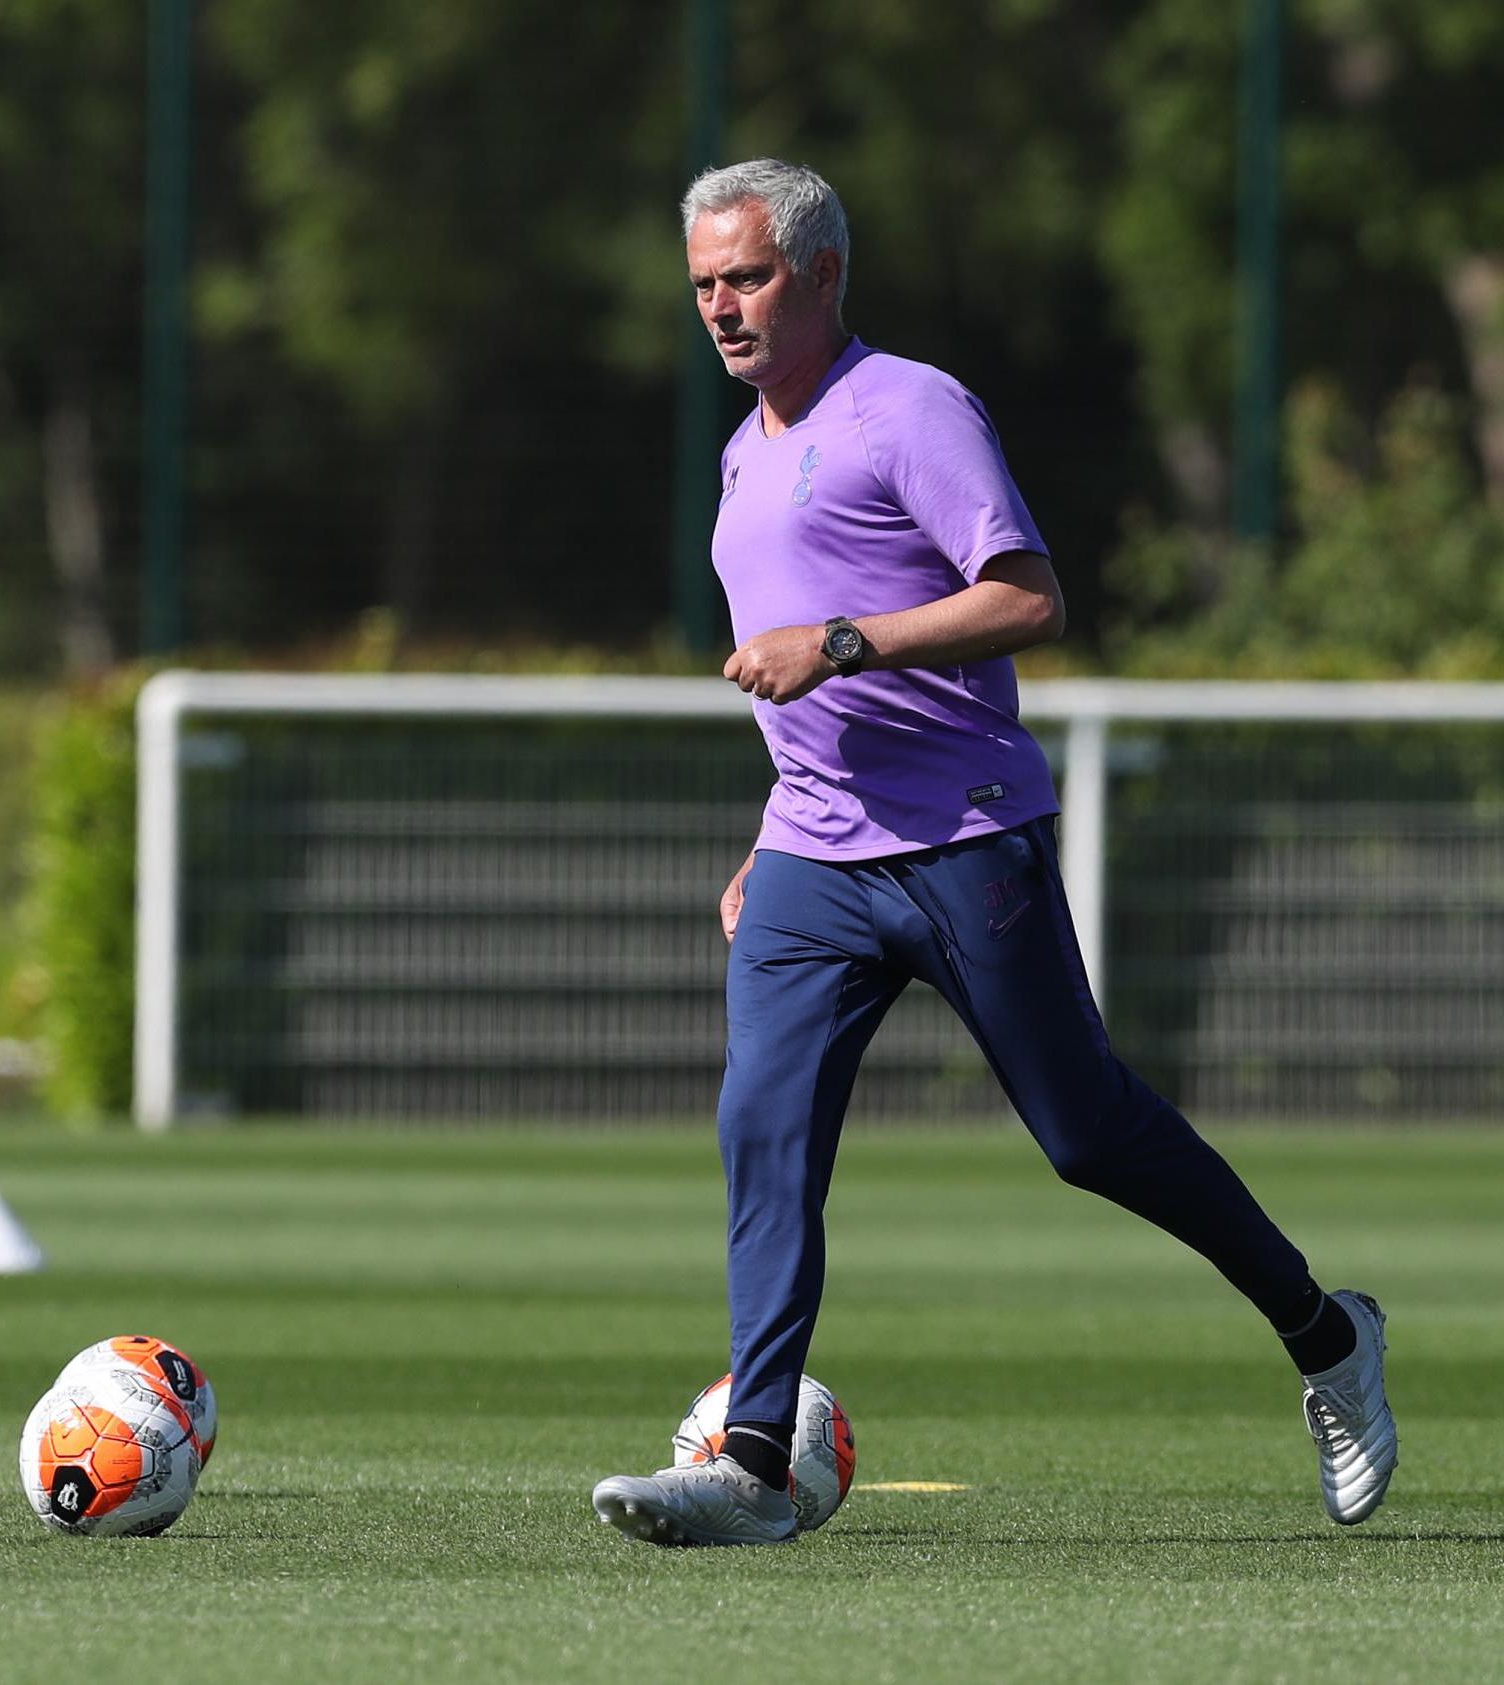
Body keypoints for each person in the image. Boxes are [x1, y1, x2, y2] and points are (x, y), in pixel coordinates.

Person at [591, 159, 1395, 1548]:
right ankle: (753, 1464)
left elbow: (1025, 597)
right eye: (705, 284)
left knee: (1087, 1135)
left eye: (747, 277)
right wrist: (765, 838)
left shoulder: (910, 407)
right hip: (810, 865)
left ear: (823, 272)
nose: (721, 308)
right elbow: (806, 684)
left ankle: (1326, 1335)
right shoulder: (742, 449)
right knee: (760, 1130)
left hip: (964, 843)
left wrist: (839, 643)